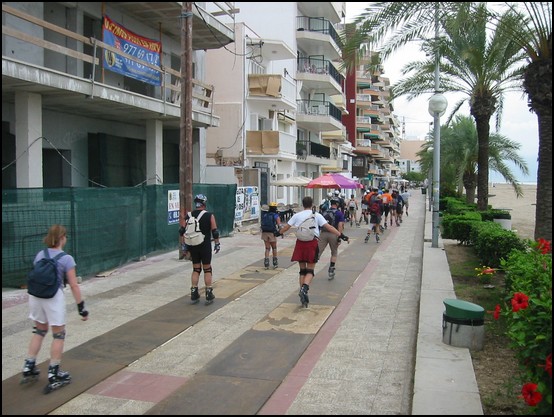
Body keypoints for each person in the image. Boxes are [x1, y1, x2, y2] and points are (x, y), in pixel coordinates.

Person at [22, 224, 89, 394]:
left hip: (36, 296)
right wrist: (81, 307)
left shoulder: (40, 255)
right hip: (53, 297)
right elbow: (73, 285)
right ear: (62, 238)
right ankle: (54, 373)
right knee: (58, 334)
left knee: (39, 331)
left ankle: (28, 365)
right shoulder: (66, 259)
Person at [276, 196, 348, 307]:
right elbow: (329, 227)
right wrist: (341, 235)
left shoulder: (297, 215)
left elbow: (286, 227)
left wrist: (279, 233)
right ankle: (305, 289)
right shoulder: (317, 215)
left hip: (300, 243)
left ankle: (301, 291)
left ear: (303, 204)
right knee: (310, 271)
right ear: (312, 204)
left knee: (302, 271)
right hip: (312, 243)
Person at [179, 194, 221, 305]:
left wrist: (184, 246)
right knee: (207, 269)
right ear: (204, 203)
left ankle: (194, 291)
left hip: (193, 246)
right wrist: (217, 244)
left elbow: (181, 231)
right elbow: (215, 231)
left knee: (196, 269)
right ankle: (208, 292)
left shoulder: (189, 215)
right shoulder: (209, 215)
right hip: (205, 245)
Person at [318, 197, 346, 280]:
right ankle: (331, 270)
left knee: (318, 252)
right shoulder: (339, 213)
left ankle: (309, 269)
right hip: (334, 234)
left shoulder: (324, 212)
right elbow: (340, 226)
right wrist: (339, 237)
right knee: (334, 252)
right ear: (337, 204)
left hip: (323, 233)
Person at [260, 202, 282, 269]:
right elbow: (279, 225)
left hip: (264, 232)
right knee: (274, 248)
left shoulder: (265, 215)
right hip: (272, 233)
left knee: (267, 248)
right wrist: (281, 232)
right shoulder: (275, 215)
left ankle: (266, 263)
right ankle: (275, 263)